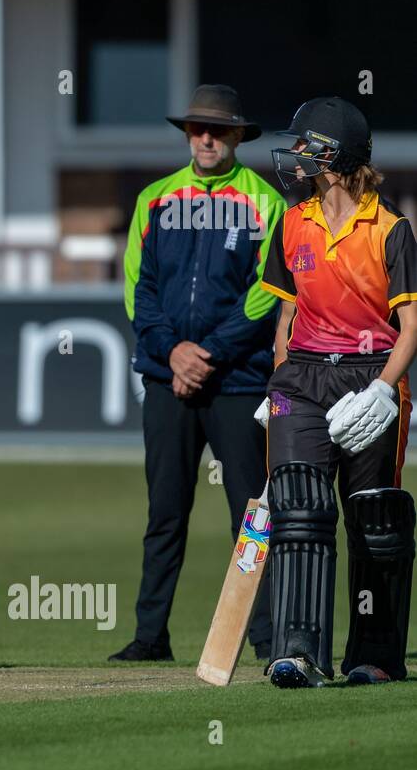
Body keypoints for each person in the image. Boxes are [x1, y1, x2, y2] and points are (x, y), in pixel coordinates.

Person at [114, 84, 286, 662]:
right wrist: (173, 355)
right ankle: (150, 637)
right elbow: (140, 290)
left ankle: (266, 637)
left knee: (251, 513)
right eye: (196, 129)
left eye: (217, 130)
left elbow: (266, 293)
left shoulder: (265, 201)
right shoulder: (155, 199)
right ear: (186, 135)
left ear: (238, 135)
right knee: (164, 510)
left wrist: (207, 352)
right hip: (169, 380)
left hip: (236, 380)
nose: (206, 138)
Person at [258, 96, 417, 688]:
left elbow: (412, 330)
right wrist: (277, 386)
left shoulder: (391, 230)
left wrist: (383, 391)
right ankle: (299, 652)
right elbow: (285, 320)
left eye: (304, 148)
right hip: (301, 378)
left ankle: (373, 656)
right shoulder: (293, 221)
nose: (294, 159)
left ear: (333, 155)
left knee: (373, 517)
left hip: (370, 373)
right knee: (298, 504)